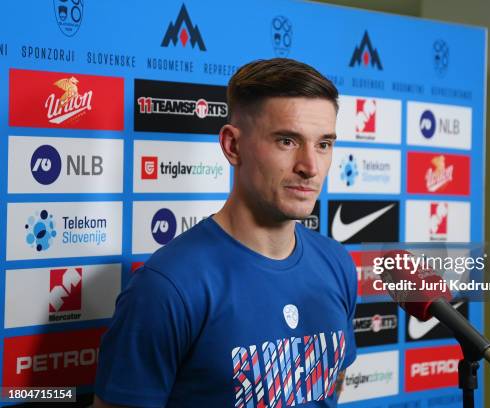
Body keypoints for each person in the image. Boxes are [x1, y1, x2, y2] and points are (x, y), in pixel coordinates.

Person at [94, 58, 358, 407]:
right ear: (233, 146)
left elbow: (329, 386)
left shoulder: (336, 263)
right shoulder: (166, 286)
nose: (310, 167)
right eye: (287, 141)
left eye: (323, 144)